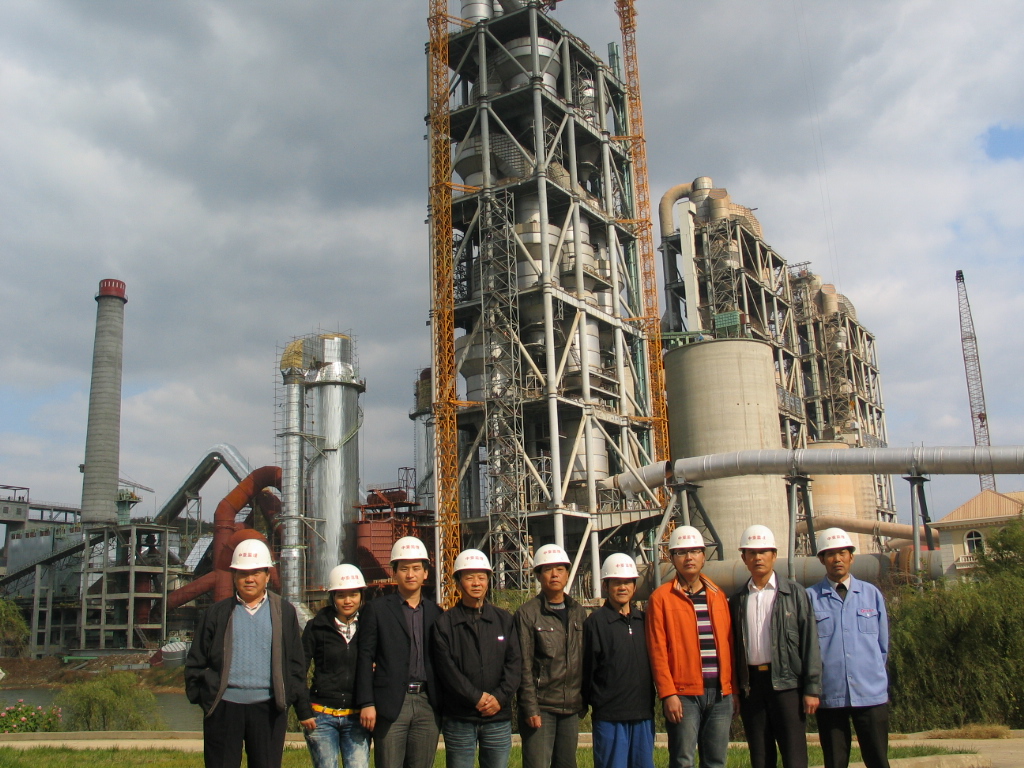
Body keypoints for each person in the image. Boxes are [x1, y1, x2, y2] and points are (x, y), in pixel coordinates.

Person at [185, 537, 310, 768]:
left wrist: (290, 700)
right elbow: (196, 660)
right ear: (234, 576)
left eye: (256, 573)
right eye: (243, 573)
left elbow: (296, 663)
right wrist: (205, 698)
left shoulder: (284, 612)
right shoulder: (217, 613)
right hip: (223, 707)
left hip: (269, 708)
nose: (249, 579)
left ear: (267, 575)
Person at [730, 525, 821, 768]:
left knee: (794, 756)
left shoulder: (794, 593)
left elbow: (810, 641)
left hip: (787, 685)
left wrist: (812, 688)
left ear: (774, 555)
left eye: (763, 552)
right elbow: (733, 648)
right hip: (752, 687)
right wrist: (736, 690)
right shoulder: (738, 599)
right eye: (752, 553)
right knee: (760, 757)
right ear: (744, 558)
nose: (757, 558)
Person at [645, 526, 735, 768]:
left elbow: (729, 646)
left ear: (704, 556)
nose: (689, 557)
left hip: (720, 694)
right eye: (682, 552)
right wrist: (668, 693)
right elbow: (657, 651)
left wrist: (732, 690)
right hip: (683, 695)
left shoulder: (718, 596)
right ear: (672, 558)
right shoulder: (661, 599)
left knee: (716, 761)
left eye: (695, 551)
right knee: (683, 760)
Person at [806, 528, 890, 768]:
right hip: (830, 694)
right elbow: (808, 648)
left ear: (851, 557)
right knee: (835, 761)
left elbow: (882, 646)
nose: (837, 559)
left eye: (842, 553)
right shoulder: (810, 598)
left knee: (878, 759)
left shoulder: (871, 594)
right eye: (830, 554)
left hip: (870, 692)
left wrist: (873, 674)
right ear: (822, 560)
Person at [431, 549, 522, 768]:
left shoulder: (504, 620)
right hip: (460, 718)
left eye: (481, 577)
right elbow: (447, 671)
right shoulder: (445, 624)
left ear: (488, 580)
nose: (476, 583)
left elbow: (514, 664)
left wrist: (499, 698)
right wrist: (476, 698)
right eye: (469, 577)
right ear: (458, 582)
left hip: (497, 717)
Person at [356, 536, 442, 768]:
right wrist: (367, 702)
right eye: (404, 569)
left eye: (416, 568)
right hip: (392, 702)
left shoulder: (436, 613)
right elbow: (365, 657)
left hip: (427, 703)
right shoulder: (376, 610)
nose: (410, 574)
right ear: (394, 572)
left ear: (426, 573)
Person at [514, 543, 587, 768]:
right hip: (541, 707)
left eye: (560, 569)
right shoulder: (528, 614)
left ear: (567, 573)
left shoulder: (578, 612)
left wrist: (583, 702)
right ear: (538, 575)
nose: (554, 574)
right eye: (547, 569)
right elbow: (524, 666)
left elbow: (584, 659)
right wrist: (530, 707)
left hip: (570, 707)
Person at [583, 553, 655, 768]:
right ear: (606, 586)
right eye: (616, 582)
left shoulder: (644, 621)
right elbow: (587, 669)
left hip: (643, 713)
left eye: (627, 582)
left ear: (634, 586)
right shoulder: (596, 623)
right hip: (610, 717)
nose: (622, 587)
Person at [301, 563, 372, 768]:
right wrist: (303, 709)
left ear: (361, 596)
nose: (348, 601)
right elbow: (298, 669)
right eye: (341, 595)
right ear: (332, 597)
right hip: (321, 716)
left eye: (353, 595)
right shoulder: (316, 627)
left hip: (357, 717)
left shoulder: (369, 627)